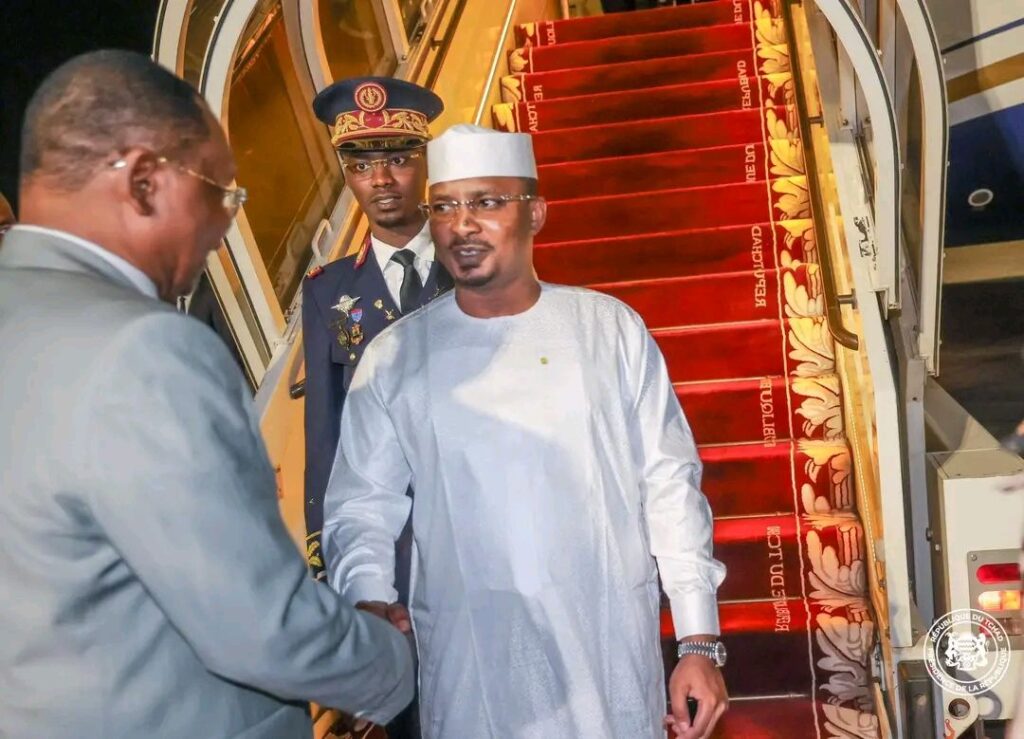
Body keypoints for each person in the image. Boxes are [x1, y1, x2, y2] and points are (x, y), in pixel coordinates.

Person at [0, 50, 413, 738]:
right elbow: (261, 626)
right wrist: (395, 663)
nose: (224, 229)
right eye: (220, 193)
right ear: (143, 183)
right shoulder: (144, 349)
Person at [321, 123, 729, 739]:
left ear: (534, 213)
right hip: (469, 661)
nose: (462, 225)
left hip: (606, 645)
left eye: (486, 202)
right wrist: (368, 601)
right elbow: (360, 506)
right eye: (444, 207)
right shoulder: (394, 358)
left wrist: (698, 638)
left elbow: (669, 484)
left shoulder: (608, 329)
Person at [303, 76, 451, 583]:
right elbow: (325, 427)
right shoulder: (328, 290)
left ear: (426, 162)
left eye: (399, 159)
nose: (381, 179)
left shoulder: (474, 264)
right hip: (388, 537)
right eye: (361, 166)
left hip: (481, 509)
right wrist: (326, 546)